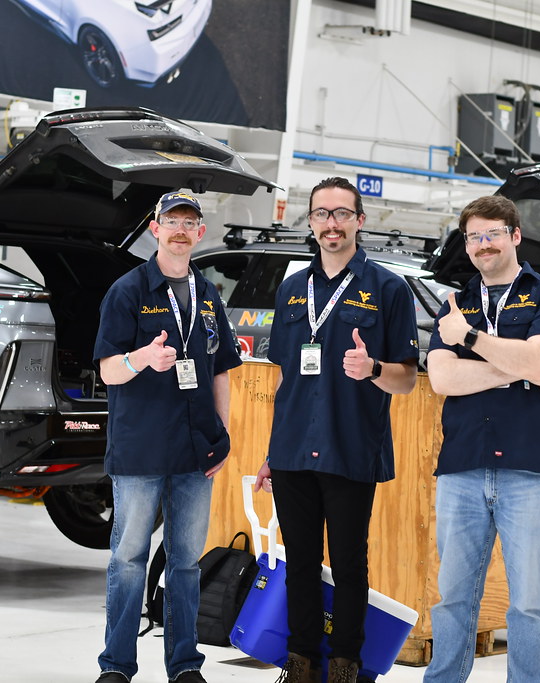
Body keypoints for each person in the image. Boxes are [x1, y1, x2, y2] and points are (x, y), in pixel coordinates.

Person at [253, 176, 419, 683]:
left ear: (359, 221)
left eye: (342, 213)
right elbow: (284, 377)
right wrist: (270, 451)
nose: (332, 223)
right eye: (322, 213)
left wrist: (372, 370)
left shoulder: (388, 288)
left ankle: (345, 666)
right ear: (310, 221)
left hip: (351, 448)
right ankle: (300, 665)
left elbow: (408, 379)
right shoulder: (290, 290)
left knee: (349, 564)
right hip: (293, 451)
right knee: (299, 562)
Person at [422, 194, 540, 683]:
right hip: (462, 467)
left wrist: (469, 340)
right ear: (465, 245)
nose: (483, 244)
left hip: (530, 471)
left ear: (515, 236)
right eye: (474, 237)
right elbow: (442, 380)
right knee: (452, 597)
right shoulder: (456, 301)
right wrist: (517, 370)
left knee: (530, 602)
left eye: (492, 233)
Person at [92, 191, 242, 683]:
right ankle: (116, 666)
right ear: (154, 228)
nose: (180, 229)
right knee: (129, 559)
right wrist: (142, 360)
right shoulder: (126, 291)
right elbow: (110, 371)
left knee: (185, 564)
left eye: (190, 222)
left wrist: (222, 435)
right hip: (140, 450)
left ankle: (184, 666)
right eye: (171, 220)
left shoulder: (208, 294)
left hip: (196, 453)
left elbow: (221, 369)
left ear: (201, 233)